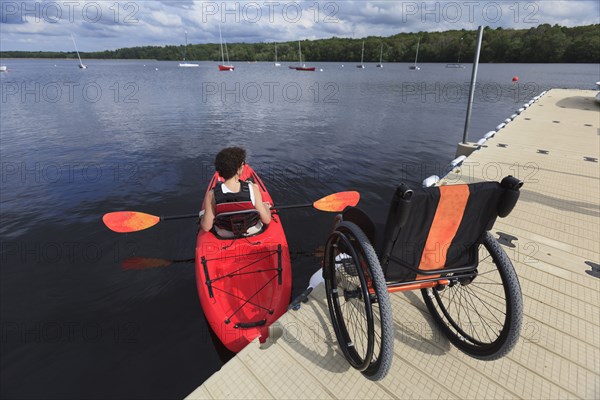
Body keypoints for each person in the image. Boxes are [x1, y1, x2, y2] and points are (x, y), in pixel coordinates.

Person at [200, 147, 271, 237]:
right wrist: (266, 207)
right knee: (264, 206)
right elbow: (267, 220)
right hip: (252, 230)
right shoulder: (253, 188)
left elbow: (206, 227)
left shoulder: (211, 194)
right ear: (239, 169)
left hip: (225, 234)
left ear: (219, 171)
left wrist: (202, 217)